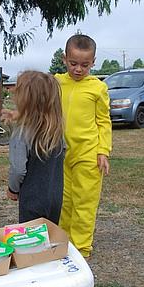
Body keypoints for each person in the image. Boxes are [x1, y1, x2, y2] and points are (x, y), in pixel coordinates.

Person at [55, 34, 112, 258]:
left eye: (85, 65)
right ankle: (64, 243)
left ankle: (81, 248)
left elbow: (103, 122)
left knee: (84, 203)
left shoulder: (97, 88)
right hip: (61, 153)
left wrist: (103, 151)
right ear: (64, 58)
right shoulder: (57, 82)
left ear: (93, 62)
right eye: (73, 63)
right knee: (64, 202)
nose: (78, 69)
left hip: (88, 154)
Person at [6, 71, 65, 223]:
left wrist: (13, 189)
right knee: (49, 238)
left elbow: (18, 169)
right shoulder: (56, 130)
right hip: (55, 198)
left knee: (30, 243)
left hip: (32, 200)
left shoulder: (21, 132)